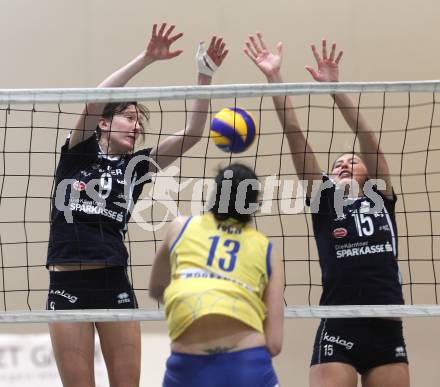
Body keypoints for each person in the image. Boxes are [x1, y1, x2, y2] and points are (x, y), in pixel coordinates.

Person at [46, 23, 228, 387]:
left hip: (112, 279)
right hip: (67, 285)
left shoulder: (137, 167)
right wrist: (145, 59)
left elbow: (193, 133)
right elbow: (95, 97)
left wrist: (204, 75)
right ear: (103, 123)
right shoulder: (78, 151)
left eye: (138, 122)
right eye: (129, 118)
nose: (136, 127)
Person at [245, 34, 409, 387]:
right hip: (339, 324)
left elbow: (368, 138)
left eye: (352, 160)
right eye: (337, 164)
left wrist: (336, 90)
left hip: (386, 325)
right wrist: (275, 78)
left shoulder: (381, 195)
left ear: (369, 172)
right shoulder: (325, 201)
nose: (344, 164)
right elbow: (294, 132)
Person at [149, 163, 284, 387]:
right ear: (255, 202)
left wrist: (194, 303)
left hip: (186, 370)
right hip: (247, 366)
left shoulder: (181, 227)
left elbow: (156, 289)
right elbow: (274, 344)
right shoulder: (267, 250)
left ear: (215, 193)